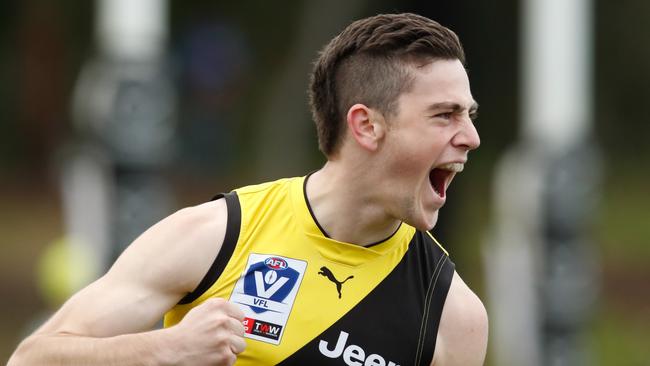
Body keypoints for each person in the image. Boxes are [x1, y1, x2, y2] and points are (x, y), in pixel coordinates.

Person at [9, 12, 488, 366]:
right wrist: (167, 349)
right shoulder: (216, 234)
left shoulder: (451, 313)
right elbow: (32, 359)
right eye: (444, 114)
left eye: (469, 115)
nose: (471, 136)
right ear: (366, 126)